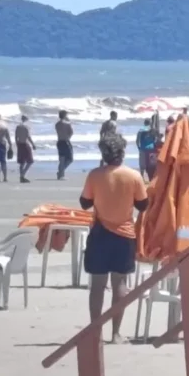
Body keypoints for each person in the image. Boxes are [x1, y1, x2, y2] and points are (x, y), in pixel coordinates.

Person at [79, 133, 148, 344]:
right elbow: (143, 205)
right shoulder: (133, 176)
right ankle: (116, 333)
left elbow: (85, 203)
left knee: (97, 285)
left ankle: (95, 333)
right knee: (119, 284)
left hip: (100, 234)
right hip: (124, 235)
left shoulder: (95, 175)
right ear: (123, 152)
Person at [15, 115, 36, 183]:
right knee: (30, 161)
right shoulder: (26, 127)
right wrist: (33, 144)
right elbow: (28, 137)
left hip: (19, 144)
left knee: (22, 162)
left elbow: (16, 137)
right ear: (26, 120)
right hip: (25, 144)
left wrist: (17, 144)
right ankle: (22, 175)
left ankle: (22, 177)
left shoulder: (18, 127)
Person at [55, 110, 74, 180]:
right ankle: (61, 173)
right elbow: (71, 132)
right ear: (65, 116)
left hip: (59, 142)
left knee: (62, 159)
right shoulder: (67, 124)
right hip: (65, 142)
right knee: (70, 159)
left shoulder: (57, 124)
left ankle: (60, 174)